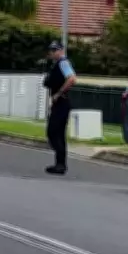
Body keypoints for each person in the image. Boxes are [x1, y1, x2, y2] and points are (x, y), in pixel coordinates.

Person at [42, 41, 77, 175]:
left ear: (61, 50)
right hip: (59, 103)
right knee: (58, 134)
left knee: (53, 131)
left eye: (55, 50)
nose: (52, 53)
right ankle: (60, 164)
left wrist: (58, 94)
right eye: (51, 50)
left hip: (62, 102)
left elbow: (72, 79)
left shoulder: (63, 63)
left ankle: (61, 163)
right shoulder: (55, 65)